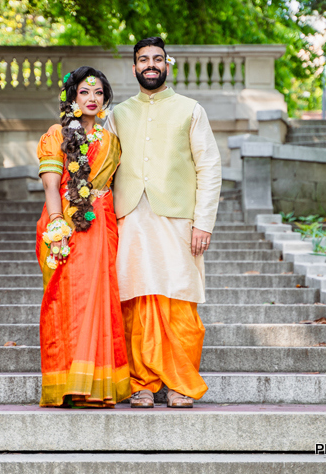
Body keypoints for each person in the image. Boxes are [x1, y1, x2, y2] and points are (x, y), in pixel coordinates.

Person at [104, 36, 222, 408]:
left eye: (157, 59)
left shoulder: (191, 109)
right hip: (131, 221)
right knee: (134, 299)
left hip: (177, 221)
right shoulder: (117, 114)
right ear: (134, 67)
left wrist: (203, 223)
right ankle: (141, 383)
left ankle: (180, 384)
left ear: (167, 64)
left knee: (180, 299)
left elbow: (209, 167)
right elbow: (102, 169)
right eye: (143, 59)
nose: (151, 65)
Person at [35, 66, 131, 408]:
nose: (92, 99)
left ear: (105, 100)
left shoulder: (110, 142)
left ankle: (95, 386)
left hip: (102, 224)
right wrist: (57, 224)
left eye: (99, 93)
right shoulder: (55, 135)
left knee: (99, 297)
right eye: (84, 93)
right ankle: (68, 382)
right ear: (72, 98)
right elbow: (50, 183)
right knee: (66, 299)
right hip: (65, 220)